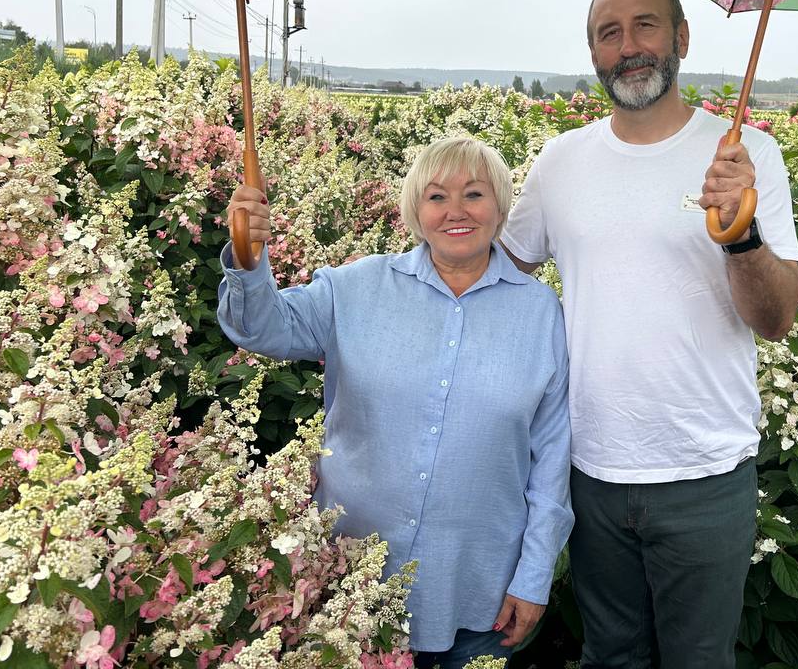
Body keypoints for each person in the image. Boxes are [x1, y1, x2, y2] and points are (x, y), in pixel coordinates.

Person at [500, 0, 798, 669]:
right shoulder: (561, 161)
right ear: (594, 54)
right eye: (609, 33)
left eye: (645, 25)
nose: (629, 46)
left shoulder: (746, 157)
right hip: (590, 472)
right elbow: (497, 277)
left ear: (681, 39)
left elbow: (776, 318)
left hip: (706, 475)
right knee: (610, 656)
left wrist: (742, 236)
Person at [218, 136, 573, 669]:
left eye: (474, 194)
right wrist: (248, 257)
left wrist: (535, 575)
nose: (456, 211)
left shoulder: (542, 313)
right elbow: (261, 328)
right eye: (436, 196)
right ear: (415, 211)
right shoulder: (355, 287)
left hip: (479, 593)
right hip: (349, 585)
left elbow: (551, 461)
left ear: (501, 207)